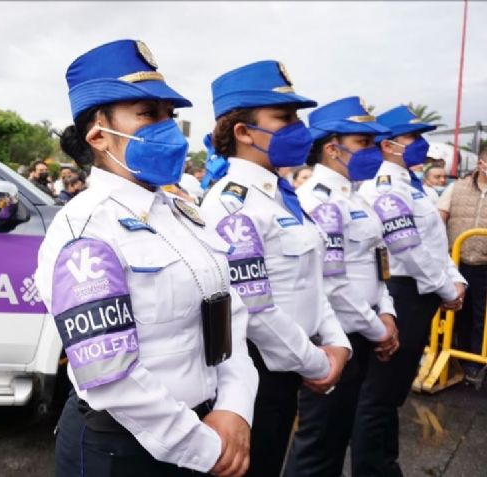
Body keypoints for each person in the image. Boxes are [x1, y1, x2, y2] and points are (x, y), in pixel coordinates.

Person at [35, 39, 258, 477]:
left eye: (169, 115)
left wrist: (235, 408)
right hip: (124, 452)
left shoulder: (182, 213)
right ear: (98, 135)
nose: (168, 129)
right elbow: (112, 375)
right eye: (148, 114)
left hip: (210, 427)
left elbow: (230, 315)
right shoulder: (84, 229)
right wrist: (202, 448)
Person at [197, 60, 351, 477]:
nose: (298, 128)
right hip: (256, 375)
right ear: (244, 133)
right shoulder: (232, 204)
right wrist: (317, 363)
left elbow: (313, 282)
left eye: (297, 117)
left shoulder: (284, 197)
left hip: (292, 366)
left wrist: (337, 342)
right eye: (284, 117)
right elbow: (257, 310)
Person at [284, 97, 400, 477]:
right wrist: (377, 327)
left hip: (365, 330)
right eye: (363, 142)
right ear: (333, 148)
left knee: (339, 435)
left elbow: (375, 262)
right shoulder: (320, 201)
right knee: (320, 446)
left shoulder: (357, 199)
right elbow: (332, 284)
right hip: (337, 337)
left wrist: (386, 311)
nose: (373, 150)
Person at [353, 105, 467, 476]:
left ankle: (387, 464)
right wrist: (445, 288)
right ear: (388, 146)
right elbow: (408, 248)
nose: (420, 144)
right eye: (412, 137)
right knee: (379, 394)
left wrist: (455, 279)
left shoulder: (413, 186)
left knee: (393, 392)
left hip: (423, 289)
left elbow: (434, 243)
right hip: (405, 292)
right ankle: (373, 468)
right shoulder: (386, 188)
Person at [437, 147, 487, 383]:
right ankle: (457, 357)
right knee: (459, 312)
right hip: (457, 262)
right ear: (480, 164)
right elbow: (439, 217)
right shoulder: (456, 188)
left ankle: (474, 362)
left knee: (482, 316)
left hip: (484, 264)